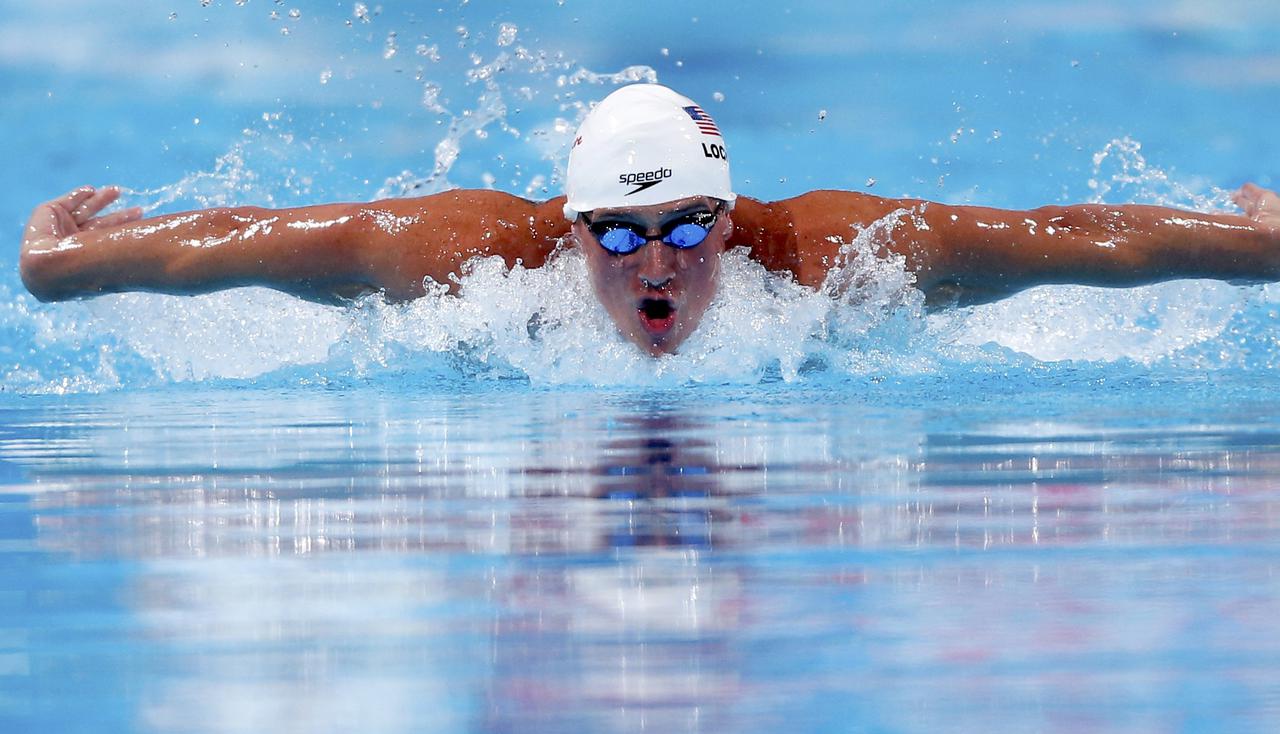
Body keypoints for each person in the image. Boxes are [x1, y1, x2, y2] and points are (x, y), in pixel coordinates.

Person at [18, 84, 1280, 357]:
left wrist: (1261, 244)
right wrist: (62, 269)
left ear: (734, 220)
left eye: (690, 227)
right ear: (566, 233)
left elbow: (1079, 239)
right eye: (618, 236)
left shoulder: (838, 256)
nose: (658, 259)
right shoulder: (460, 259)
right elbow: (232, 241)